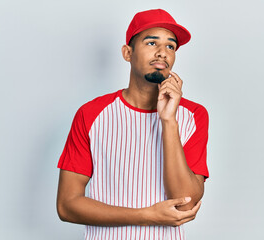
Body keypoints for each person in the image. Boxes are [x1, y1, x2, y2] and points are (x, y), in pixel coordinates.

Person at [56, 9, 209, 240]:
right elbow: (67, 205)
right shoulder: (91, 114)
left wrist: (168, 121)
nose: (162, 53)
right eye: (151, 42)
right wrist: (146, 215)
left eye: (170, 46)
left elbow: (185, 204)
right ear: (128, 53)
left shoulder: (193, 115)